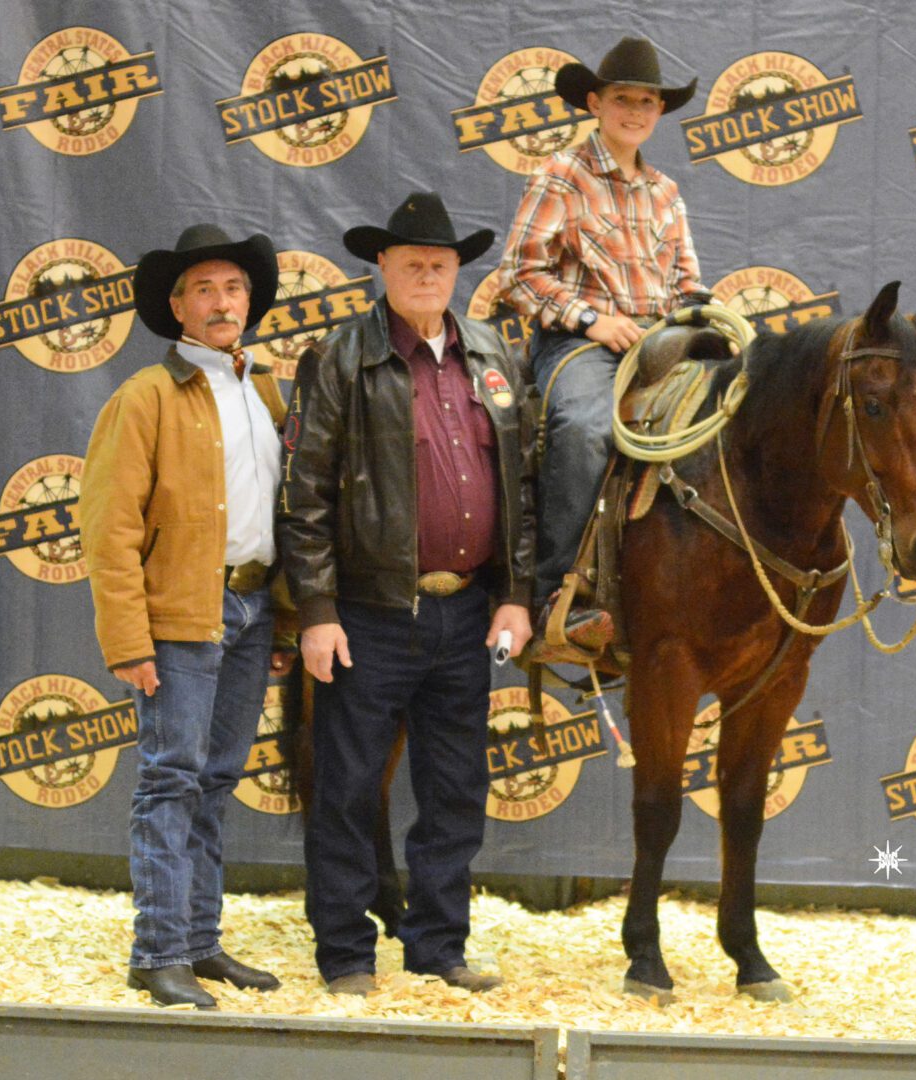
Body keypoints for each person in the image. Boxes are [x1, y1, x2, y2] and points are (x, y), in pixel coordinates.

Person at [277, 191, 535, 996]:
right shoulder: (340, 358)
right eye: (412, 261)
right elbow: (302, 494)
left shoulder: (491, 353)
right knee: (349, 790)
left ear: (459, 270)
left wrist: (516, 594)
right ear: (382, 266)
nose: (428, 273)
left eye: (441, 263)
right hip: (368, 613)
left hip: (468, 610)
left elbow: (521, 484)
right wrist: (317, 612)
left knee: (456, 789)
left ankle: (437, 945)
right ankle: (346, 953)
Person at [81, 224, 291, 1008]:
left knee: (217, 778)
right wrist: (128, 640)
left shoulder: (265, 389)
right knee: (171, 779)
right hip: (179, 617)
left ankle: (199, 942)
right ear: (177, 307)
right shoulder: (144, 398)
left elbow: (283, 513)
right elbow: (110, 529)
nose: (221, 302)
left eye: (233, 288)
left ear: (249, 302)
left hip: (252, 608)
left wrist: (283, 621)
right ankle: (159, 950)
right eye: (204, 289)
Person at [496, 35, 702, 645]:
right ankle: (556, 593)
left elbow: (686, 282)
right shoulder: (561, 176)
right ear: (595, 102)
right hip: (581, 344)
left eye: (647, 101)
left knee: (732, 415)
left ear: (659, 111)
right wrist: (591, 320)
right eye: (622, 99)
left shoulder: (665, 192)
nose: (635, 111)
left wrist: (702, 315)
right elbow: (519, 275)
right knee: (586, 428)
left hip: (659, 342)